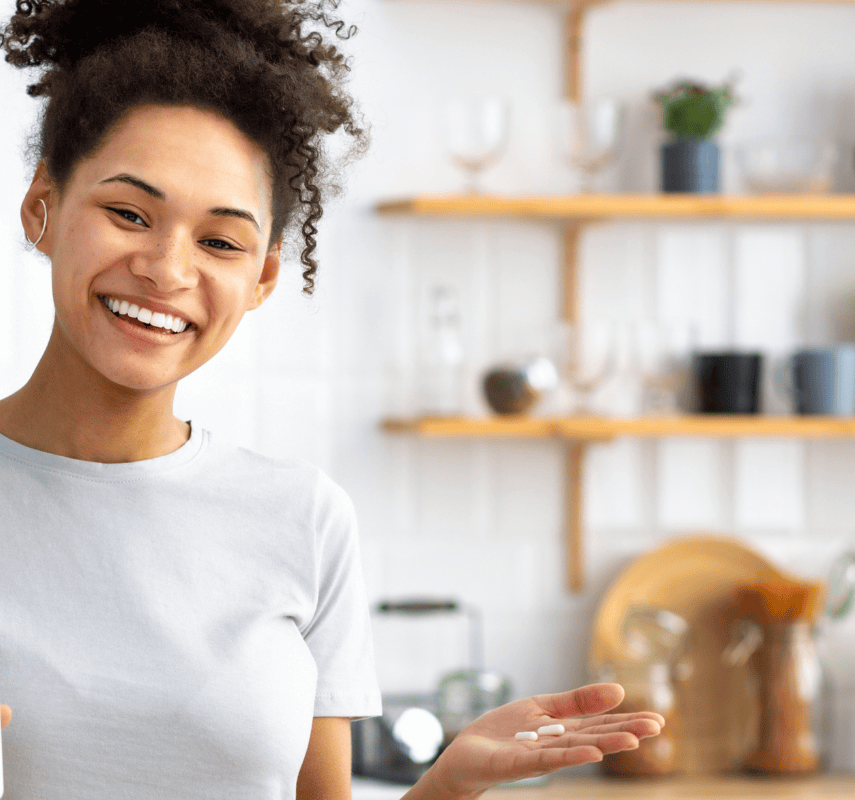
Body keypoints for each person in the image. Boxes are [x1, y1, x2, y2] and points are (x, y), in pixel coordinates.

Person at [0, 1, 662, 799]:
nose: (168, 270)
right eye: (128, 213)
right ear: (44, 206)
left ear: (263, 279)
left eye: (220, 241)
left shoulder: (302, 520)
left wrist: (444, 788)